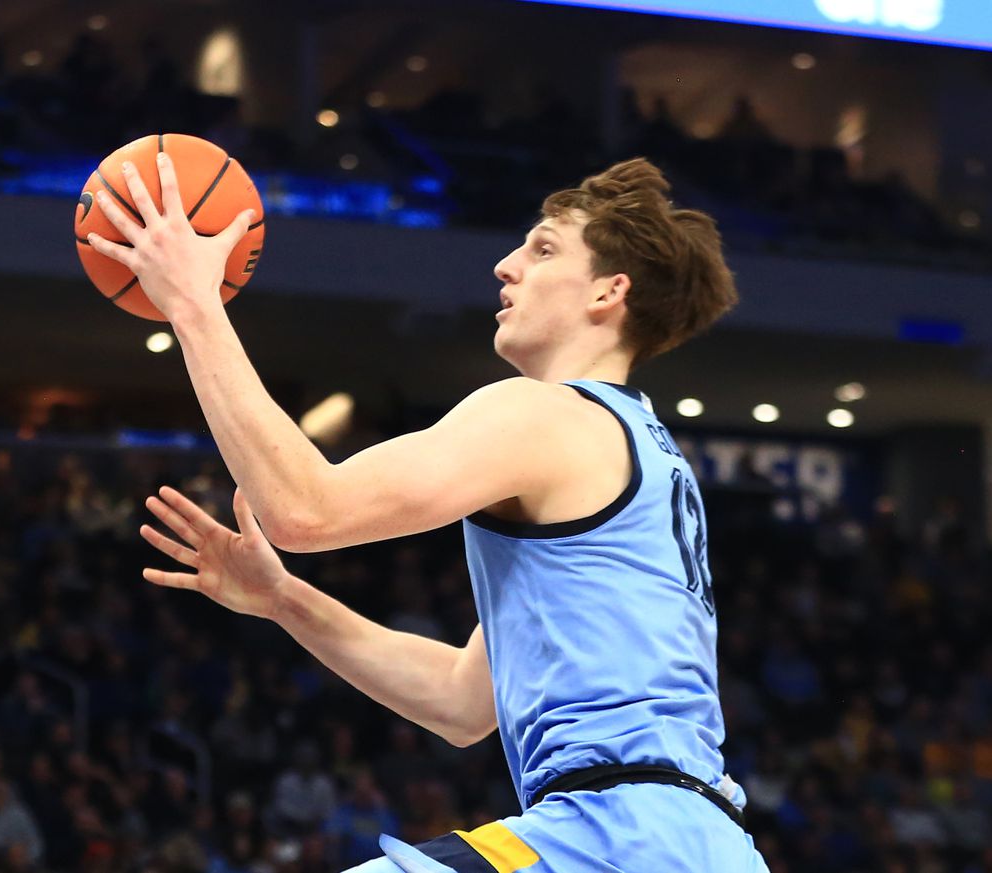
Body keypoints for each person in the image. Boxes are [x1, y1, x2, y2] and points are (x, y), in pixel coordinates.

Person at [86, 154, 769, 871]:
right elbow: (461, 701)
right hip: (701, 842)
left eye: (542, 248)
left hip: (616, 835)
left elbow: (304, 510)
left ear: (608, 291)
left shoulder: (545, 415)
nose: (507, 266)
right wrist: (282, 597)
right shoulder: (646, 452)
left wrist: (193, 303)